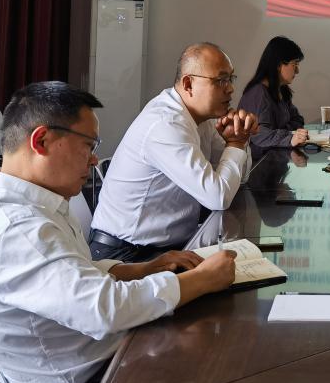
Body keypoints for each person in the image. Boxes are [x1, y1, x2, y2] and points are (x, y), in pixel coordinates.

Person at [0, 82, 237, 383]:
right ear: (42, 141)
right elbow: (105, 309)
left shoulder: (26, 201)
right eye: (88, 145)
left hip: (92, 351)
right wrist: (203, 279)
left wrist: (143, 269)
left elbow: (70, 273)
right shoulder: (17, 229)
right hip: (88, 377)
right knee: (224, 353)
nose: (94, 160)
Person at [89, 42, 257, 262]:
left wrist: (239, 138)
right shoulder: (166, 124)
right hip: (126, 254)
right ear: (188, 84)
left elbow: (239, 178)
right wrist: (235, 143)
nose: (230, 89)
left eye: (231, 79)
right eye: (221, 80)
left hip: (166, 248)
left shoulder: (202, 118)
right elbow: (218, 197)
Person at [238, 36, 309, 157]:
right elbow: (259, 135)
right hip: (259, 163)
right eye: (294, 64)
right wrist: (289, 137)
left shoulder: (281, 89)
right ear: (278, 65)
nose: (297, 71)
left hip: (277, 158)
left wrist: (282, 131)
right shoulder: (258, 93)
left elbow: (298, 119)